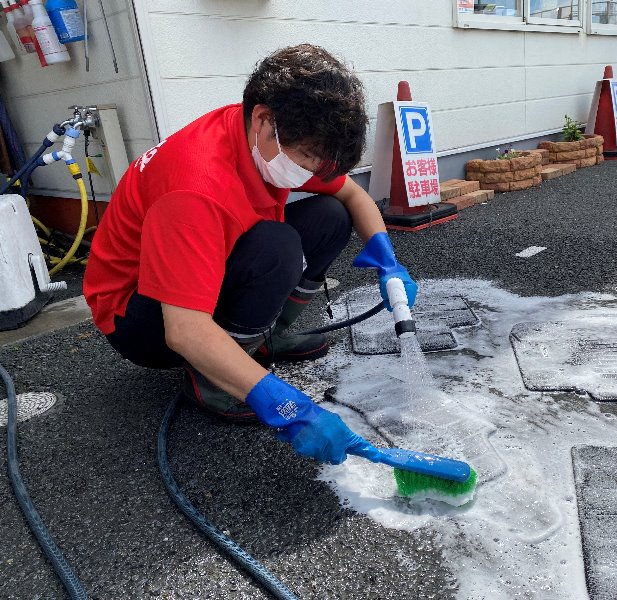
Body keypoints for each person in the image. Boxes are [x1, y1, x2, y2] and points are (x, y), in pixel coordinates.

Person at [83, 44, 417, 465]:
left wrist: (387, 261)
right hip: (139, 316)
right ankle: (214, 383)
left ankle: (263, 340)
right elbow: (183, 330)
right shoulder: (196, 188)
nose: (311, 172)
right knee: (276, 247)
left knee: (330, 216)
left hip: (195, 268)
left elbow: (353, 195)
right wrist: (287, 406)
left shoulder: (262, 135)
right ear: (263, 120)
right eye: (308, 158)